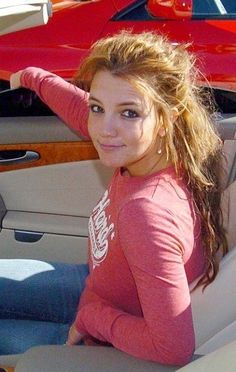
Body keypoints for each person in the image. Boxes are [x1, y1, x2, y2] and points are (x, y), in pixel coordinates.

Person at [1, 31, 228, 365]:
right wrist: (36, 78)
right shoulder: (162, 154)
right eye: (99, 107)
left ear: (167, 119)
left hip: (99, 338)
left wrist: (94, 319)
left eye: (129, 113)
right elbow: (80, 109)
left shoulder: (146, 212)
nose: (104, 129)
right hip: (92, 288)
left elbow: (173, 347)